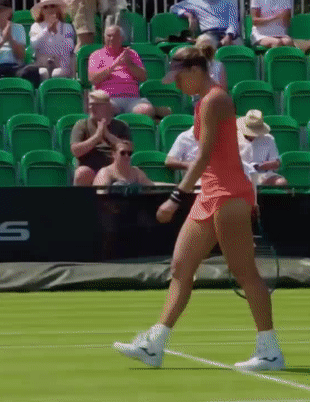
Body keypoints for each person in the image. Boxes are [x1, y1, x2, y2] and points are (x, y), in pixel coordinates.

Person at [113, 47, 285, 371]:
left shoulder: (214, 100)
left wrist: (175, 198)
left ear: (195, 70)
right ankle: (154, 345)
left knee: (245, 272)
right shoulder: (204, 101)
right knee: (180, 268)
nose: (177, 85)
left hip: (230, 195)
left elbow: (203, 156)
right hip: (208, 194)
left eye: (179, 78)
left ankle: (270, 351)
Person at [88, 25, 154, 117]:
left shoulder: (131, 54)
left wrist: (129, 63)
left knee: (146, 110)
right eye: (109, 36)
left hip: (132, 99)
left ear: (121, 38)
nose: (111, 39)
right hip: (108, 99)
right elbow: (93, 79)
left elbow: (143, 77)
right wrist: (115, 64)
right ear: (104, 37)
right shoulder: (96, 55)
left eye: (115, 36)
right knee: (102, 110)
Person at [71, 90, 132, 186]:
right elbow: (76, 151)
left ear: (107, 107)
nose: (92, 108)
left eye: (97, 105)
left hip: (114, 169)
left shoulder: (121, 126)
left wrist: (107, 135)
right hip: (90, 168)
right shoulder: (81, 125)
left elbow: (127, 149)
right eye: (90, 104)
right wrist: (96, 137)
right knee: (82, 173)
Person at [0, 0, 40, 88]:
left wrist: (10, 39)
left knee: (32, 71)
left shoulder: (19, 28)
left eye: (0, 10)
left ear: (9, 12)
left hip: (15, 67)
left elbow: (21, 56)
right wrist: (2, 41)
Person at [237, 109, 287, 187]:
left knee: (281, 182)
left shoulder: (269, 139)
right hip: (241, 175)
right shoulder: (234, 138)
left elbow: (275, 163)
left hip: (263, 175)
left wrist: (259, 166)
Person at [29, 0, 75, 81]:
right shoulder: (35, 26)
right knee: (42, 72)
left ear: (58, 9)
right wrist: (47, 30)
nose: (49, 9)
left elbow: (69, 47)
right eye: (45, 7)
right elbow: (34, 45)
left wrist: (57, 33)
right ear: (41, 11)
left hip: (62, 64)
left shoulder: (67, 27)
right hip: (42, 64)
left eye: (52, 6)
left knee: (57, 73)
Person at [170, 0, 242, 47]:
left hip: (229, 34)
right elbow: (173, 8)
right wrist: (188, 15)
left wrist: (229, 36)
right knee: (206, 44)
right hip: (209, 34)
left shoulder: (229, 1)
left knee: (241, 49)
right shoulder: (193, 2)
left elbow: (233, 21)